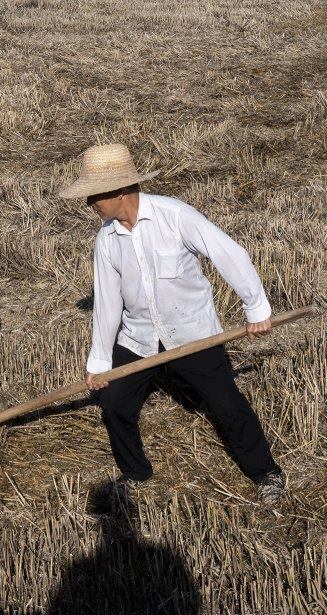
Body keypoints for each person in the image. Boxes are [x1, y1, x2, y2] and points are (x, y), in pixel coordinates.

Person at [57, 143, 286, 504]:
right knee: (114, 404)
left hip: (192, 333)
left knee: (226, 405)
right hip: (139, 337)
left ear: (118, 191)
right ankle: (136, 474)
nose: (90, 204)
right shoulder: (106, 239)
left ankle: (265, 472)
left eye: (93, 196)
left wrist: (256, 308)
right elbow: (107, 302)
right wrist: (100, 361)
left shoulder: (174, 215)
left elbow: (229, 253)